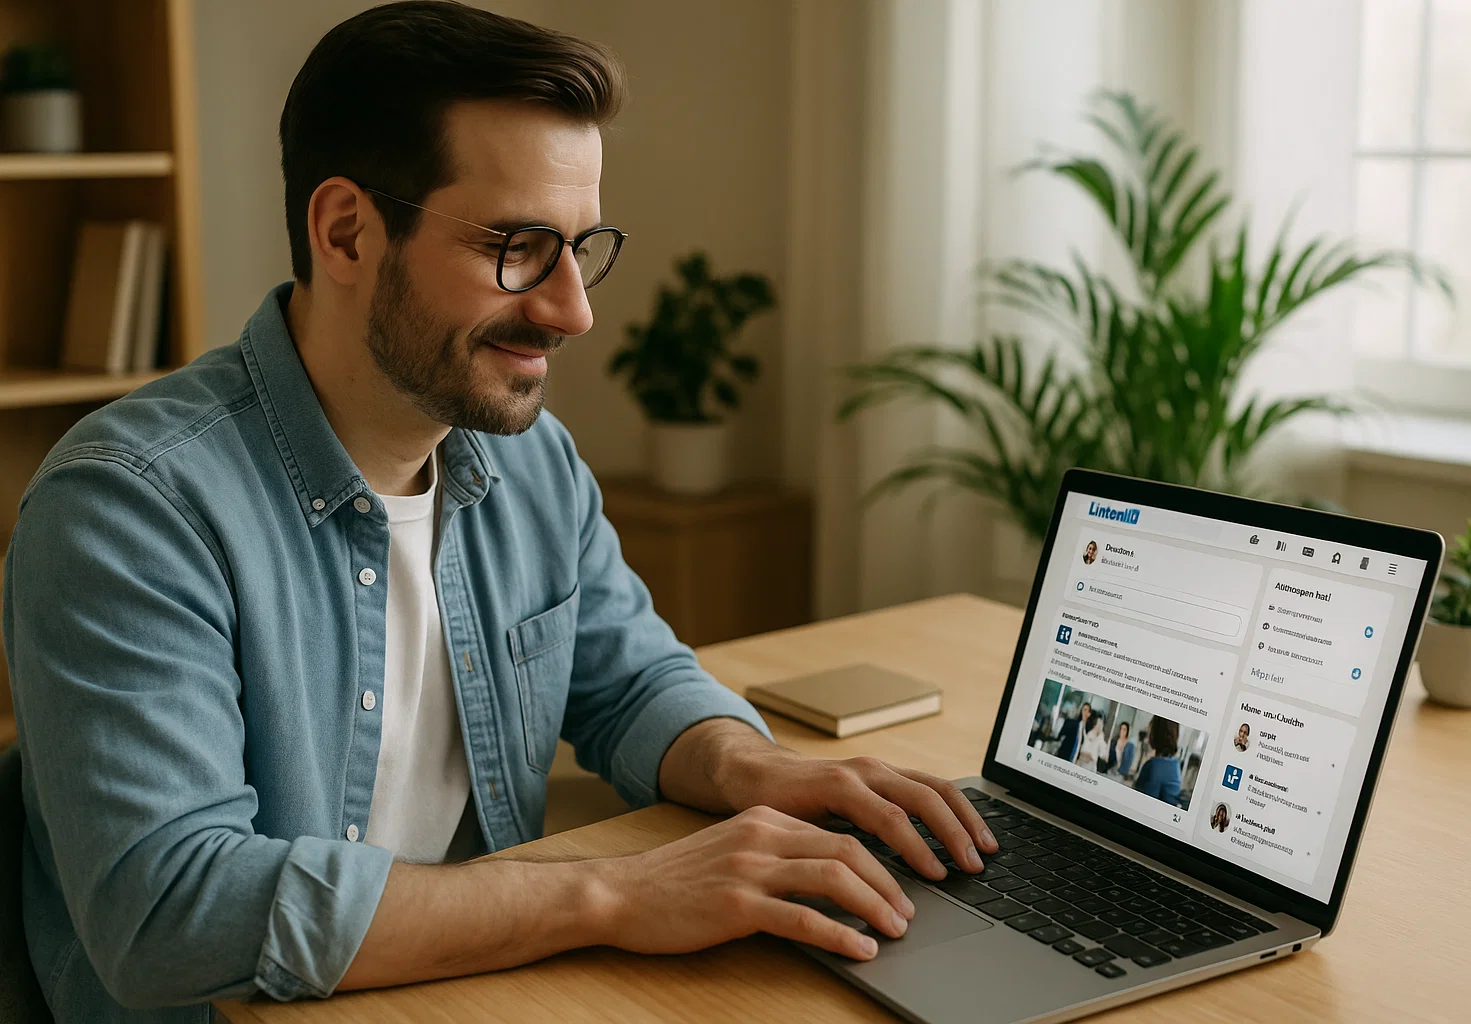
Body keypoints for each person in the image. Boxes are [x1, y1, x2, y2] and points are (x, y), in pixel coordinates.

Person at [1, 6, 999, 1020]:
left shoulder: (529, 464)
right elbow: (170, 914)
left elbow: (630, 675)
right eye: (517, 247)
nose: (574, 310)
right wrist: (613, 893)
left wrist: (749, 765)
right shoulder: (129, 508)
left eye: (582, 247)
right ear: (345, 230)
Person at [1133, 717, 1185, 805]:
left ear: (1156, 732)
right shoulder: (1174, 764)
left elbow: (1141, 804)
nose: (1148, 729)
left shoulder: (1153, 766)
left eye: (1151, 725)